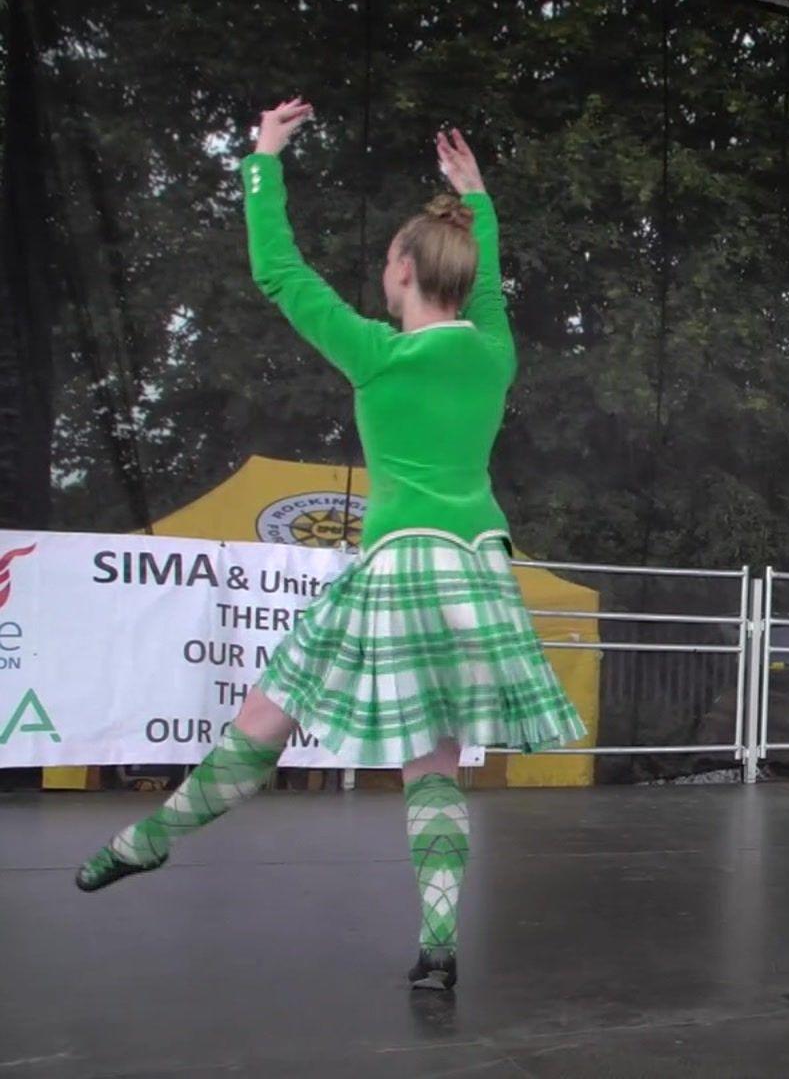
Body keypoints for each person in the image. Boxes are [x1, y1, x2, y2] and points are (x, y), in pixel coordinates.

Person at [75, 101, 584, 990]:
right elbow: (491, 291)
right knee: (434, 766)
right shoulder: (493, 353)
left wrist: (264, 156)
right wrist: (482, 204)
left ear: (401, 272)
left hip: (394, 570)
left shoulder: (377, 357)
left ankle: (151, 839)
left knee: (265, 720)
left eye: (387, 261)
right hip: (473, 573)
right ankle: (436, 946)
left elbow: (279, 272)